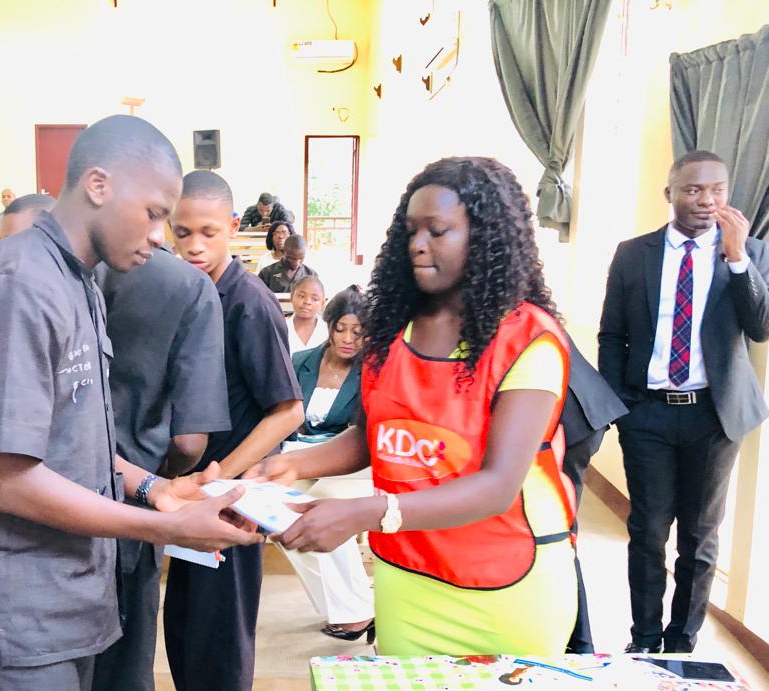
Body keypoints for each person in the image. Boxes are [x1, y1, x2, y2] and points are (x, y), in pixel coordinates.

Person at [0, 115, 258, 691]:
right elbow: (10, 480)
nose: (163, 236)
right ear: (99, 185)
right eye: (156, 213)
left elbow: (70, 440)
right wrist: (165, 528)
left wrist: (156, 487)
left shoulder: (77, 280)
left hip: (70, 592)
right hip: (17, 608)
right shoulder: (19, 284)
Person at [247, 156, 578, 659]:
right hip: (409, 575)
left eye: (437, 231)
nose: (418, 244)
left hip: (507, 580)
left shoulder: (527, 338)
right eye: (410, 231)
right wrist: (293, 464)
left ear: (485, 236)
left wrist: (365, 512)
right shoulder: (390, 330)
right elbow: (374, 436)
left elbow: (498, 485)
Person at [155, 170, 303, 691]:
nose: (193, 245)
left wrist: (224, 477)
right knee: (187, 625)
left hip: (231, 503)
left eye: (208, 233)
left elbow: (287, 411)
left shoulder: (247, 303)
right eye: (182, 231)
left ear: (234, 230)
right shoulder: (193, 293)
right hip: (196, 498)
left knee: (219, 634)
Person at [598, 150, 769, 654]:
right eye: (693, 190)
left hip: (714, 416)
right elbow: (612, 335)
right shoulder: (634, 254)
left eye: (717, 190)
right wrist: (618, 406)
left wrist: (736, 259)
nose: (706, 200)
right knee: (648, 530)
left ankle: (681, 644)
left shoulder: (750, 252)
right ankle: (644, 639)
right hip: (648, 413)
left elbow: (760, 327)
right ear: (669, 193)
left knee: (700, 535)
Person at [93, 244, 230, 691]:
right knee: (120, 690)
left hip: (39, 515)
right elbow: (190, 440)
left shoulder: (38, 270)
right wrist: (159, 482)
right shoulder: (186, 286)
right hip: (132, 513)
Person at [282, 286, 374, 641]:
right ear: (329, 326)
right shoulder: (300, 361)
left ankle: (353, 613)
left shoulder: (373, 370)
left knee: (323, 506)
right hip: (299, 456)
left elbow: (360, 436)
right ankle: (353, 606)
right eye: (341, 329)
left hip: (350, 464)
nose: (349, 339)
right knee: (279, 512)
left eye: (359, 332)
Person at [560, 340, 628, 654]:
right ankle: (579, 642)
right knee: (559, 529)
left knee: (555, 531)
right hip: (576, 411)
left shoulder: (490, 314)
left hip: (569, 417)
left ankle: (580, 644)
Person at [286, 274, 328, 354]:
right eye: (301, 296)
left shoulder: (328, 331)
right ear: (291, 297)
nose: (307, 302)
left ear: (322, 303)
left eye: (314, 299)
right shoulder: (280, 329)